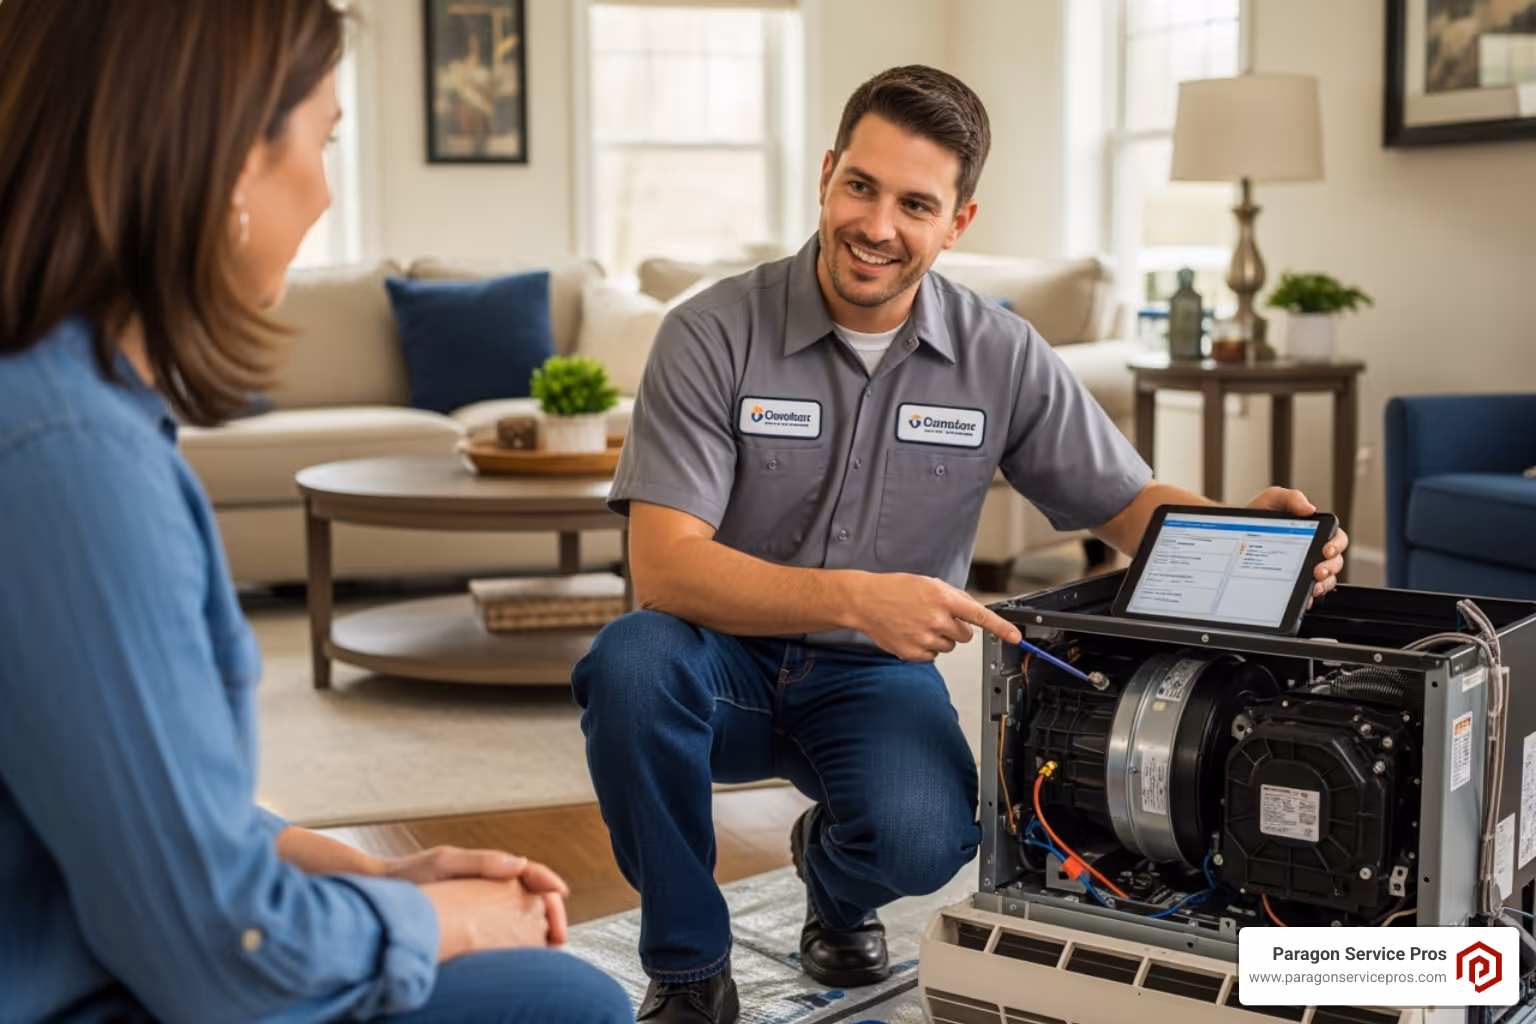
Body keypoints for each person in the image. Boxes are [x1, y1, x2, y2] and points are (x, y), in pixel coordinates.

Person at [571, 65, 1349, 1024]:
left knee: (928, 837)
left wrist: (1244, 529)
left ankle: (834, 877)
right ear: (825, 175)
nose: (877, 226)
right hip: (712, 657)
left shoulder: (1001, 354)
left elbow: (1123, 503)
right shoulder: (709, 332)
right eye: (860, 186)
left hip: (871, 676)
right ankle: (688, 970)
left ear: (958, 222)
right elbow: (666, 569)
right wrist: (860, 598)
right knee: (628, 664)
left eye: (915, 203)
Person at [0, 3, 630, 1022]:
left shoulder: (57, 403)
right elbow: (219, 951)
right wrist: (443, 921)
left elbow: (105, 787)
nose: (329, 194)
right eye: (323, 138)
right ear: (223, 160)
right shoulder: (71, 461)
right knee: (561, 1001)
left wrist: (355, 871)